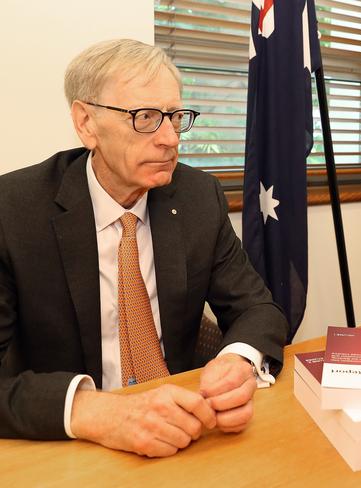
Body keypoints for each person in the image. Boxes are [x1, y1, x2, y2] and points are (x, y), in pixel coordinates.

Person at [0, 39, 289, 456]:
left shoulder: (196, 196)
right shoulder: (14, 211)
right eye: (146, 117)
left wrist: (238, 361)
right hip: (70, 449)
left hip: (185, 428)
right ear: (86, 123)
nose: (171, 138)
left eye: (175, 116)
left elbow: (256, 308)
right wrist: (93, 411)